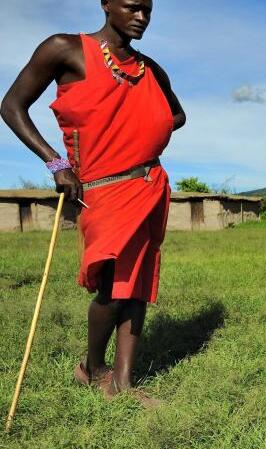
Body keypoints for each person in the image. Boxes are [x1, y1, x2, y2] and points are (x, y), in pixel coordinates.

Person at [1, 0, 185, 399]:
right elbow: (11, 105)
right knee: (112, 285)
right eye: (133, 7)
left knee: (135, 284)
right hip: (101, 189)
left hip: (147, 183)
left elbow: (176, 115)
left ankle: (122, 382)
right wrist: (57, 163)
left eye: (148, 10)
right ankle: (92, 367)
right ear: (106, 4)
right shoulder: (65, 48)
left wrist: (137, 130)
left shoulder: (149, 69)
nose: (142, 17)